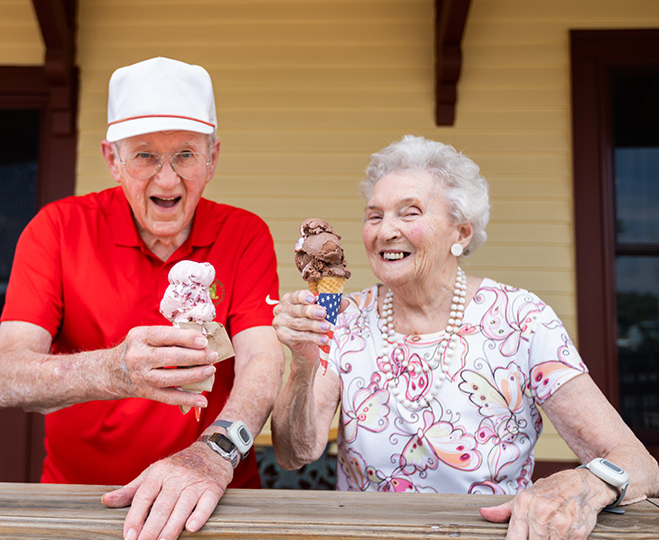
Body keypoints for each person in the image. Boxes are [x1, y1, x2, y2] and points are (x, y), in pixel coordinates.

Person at [271, 135, 659, 539]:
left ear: (461, 233)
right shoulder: (343, 317)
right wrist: (302, 364)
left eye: (410, 213)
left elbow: (639, 464)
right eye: (374, 216)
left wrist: (585, 485)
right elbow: (293, 453)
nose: (386, 230)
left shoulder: (521, 320)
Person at [0, 57, 285, 540]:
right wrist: (113, 370)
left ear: (213, 157)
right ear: (111, 158)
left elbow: (261, 361)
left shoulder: (245, 234)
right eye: (144, 155)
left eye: (185, 155)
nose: (167, 180)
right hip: (82, 503)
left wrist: (214, 454)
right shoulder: (58, 229)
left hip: (213, 497)